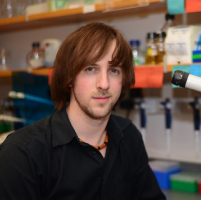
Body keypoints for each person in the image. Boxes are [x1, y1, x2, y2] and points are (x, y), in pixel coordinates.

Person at [0, 22, 166, 200]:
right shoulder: (21, 154)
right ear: (69, 78)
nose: (104, 84)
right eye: (91, 69)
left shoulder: (128, 136)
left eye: (114, 70)